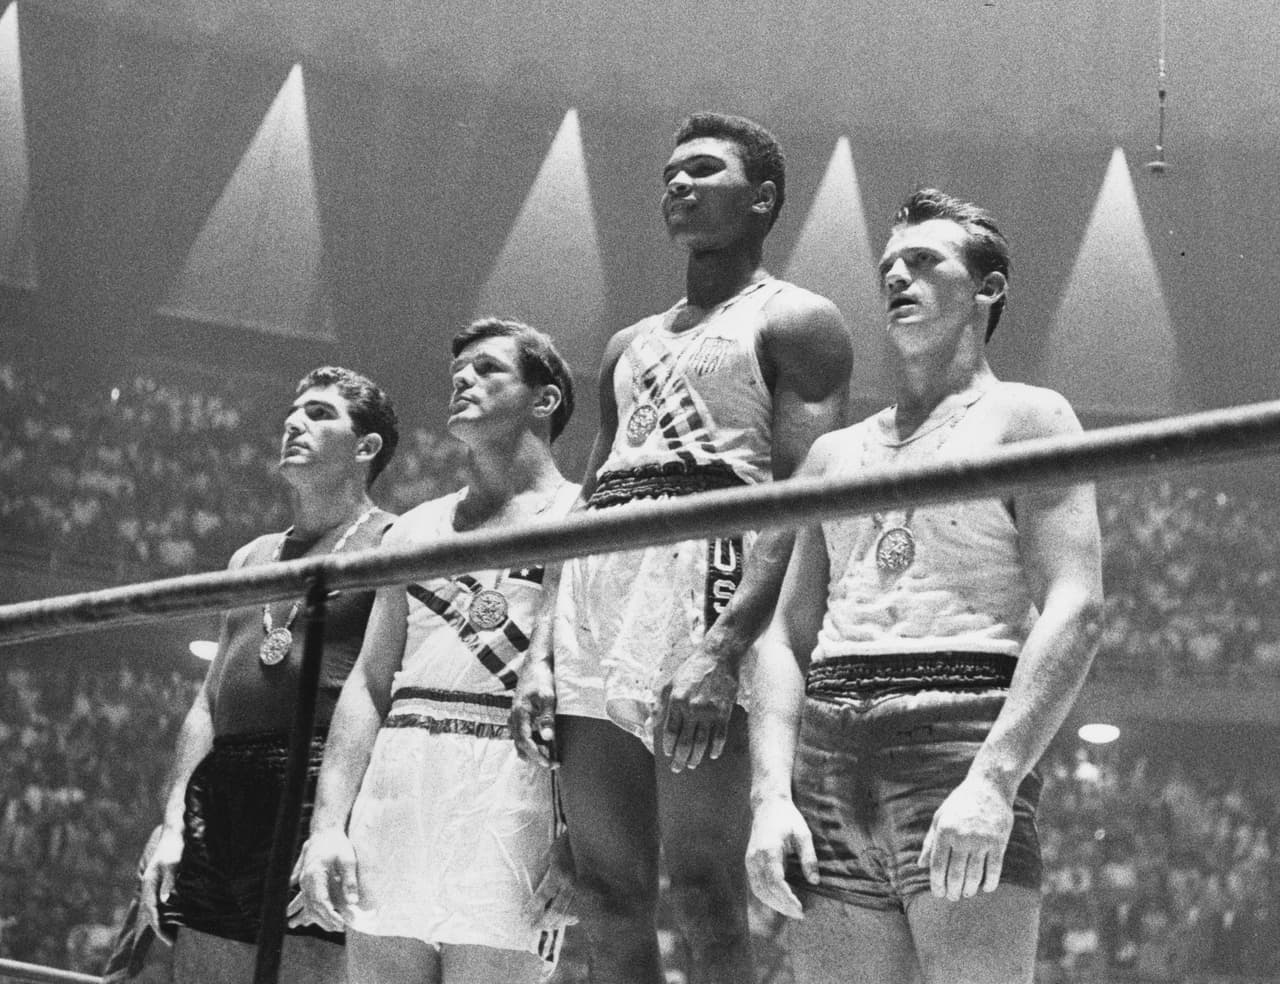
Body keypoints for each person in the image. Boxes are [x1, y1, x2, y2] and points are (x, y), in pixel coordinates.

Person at [510, 112, 853, 983]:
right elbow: (587, 502)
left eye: (703, 170)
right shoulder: (629, 342)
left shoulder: (799, 321)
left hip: (705, 581)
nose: (678, 184)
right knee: (607, 889)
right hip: (599, 594)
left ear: (763, 199)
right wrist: (541, 651)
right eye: (670, 174)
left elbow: (801, 497)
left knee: (702, 888)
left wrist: (726, 643)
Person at [745, 188, 1105, 984]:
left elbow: (1076, 608)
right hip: (827, 755)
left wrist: (997, 778)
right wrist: (769, 796)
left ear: (989, 288)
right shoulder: (836, 454)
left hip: (957, 739)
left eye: (923, 261)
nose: (896, 278)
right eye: (888, 267)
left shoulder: (1028, 417)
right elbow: (782, 637)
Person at [289, 319, 578, 984]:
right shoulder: (414, 526)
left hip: (517, 789)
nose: (463, 384)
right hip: (400, 778)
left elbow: (597, 696)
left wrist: (580, 841)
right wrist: (329, 826)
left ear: (545, 399)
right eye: (457, 376)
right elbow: (367, 683)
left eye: (486, 371)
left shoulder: (583, 515)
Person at [139, 366, 400, 984]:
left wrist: (332, 822)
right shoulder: (251, 556)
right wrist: (174, 819)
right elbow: (207, 703)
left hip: (318, 777)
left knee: (307, 967)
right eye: (294, 410)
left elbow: (381, 687)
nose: (294, 422)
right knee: (202, 967)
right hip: (223, 784)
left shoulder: (395, 541)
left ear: (366, 448)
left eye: (318, 414)